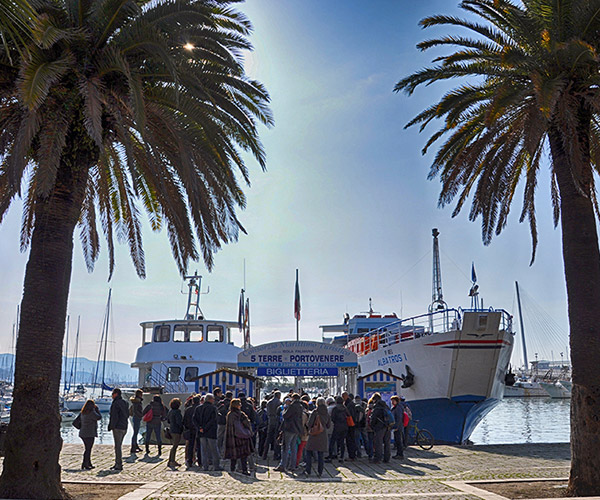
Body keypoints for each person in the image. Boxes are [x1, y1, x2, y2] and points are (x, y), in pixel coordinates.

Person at [274, 393, 303, 472]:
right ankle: (292, 465)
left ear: (293, 398)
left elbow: (285, 415)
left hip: (289, 428)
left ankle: (283, 465)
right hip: (296, 429)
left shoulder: (291, 406)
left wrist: (285, 409)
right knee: (294, 448)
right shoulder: (300, 407)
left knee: (285, 447)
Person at [224, 398, 253, 475]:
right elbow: (247, 423)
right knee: (243, 454)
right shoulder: (240, 414)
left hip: (232, 436)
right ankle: (244, 470)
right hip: (241, 436)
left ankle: (232, 468)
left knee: (233, 454)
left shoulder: (229, 414)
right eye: (239, 404)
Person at [303, 397, 331, 477]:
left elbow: (309, 424)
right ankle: (320, 471)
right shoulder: (327, 413)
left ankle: (308, 470)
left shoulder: (315, 412)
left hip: (314, 435)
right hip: (323, 434)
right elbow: (328, 425)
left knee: (308, 451)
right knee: (321, 454)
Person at [195, 393, 222, 471]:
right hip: (210, 431)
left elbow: (194, 419)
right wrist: (205, 428)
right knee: (214, 449)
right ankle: (216, 466)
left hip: (201, 432)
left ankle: (205, 466)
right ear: (210, 399)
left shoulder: (198, 408)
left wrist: (199, 428)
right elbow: (213, 420)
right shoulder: (213, 408)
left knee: (203, 450)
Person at [108, 388, 129, 471]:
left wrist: (111, 426)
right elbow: (127, 414)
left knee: (117, 446)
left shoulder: (115, 403)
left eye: (112, 394)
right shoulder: (125, 403)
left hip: (118, 427)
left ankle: (118, 464)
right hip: (124, 426)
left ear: (116, 394)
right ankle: (118, 463)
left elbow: (114, 416)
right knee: (119, 445)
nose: (112, 396)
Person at [78, 399, 101, 470]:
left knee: (87, 449)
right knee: (88, 449)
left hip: (83, 433)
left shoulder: (83, 412)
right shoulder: (91, 413)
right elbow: (99, 417)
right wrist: (97, 410)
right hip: (89, 433)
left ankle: (87, 463)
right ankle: (85, 464)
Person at [369, 393, 392, 464]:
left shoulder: (377, 407)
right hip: (387, 427)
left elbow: (373, 418)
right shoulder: (386, 406)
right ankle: (387, 458)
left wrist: (372, 426)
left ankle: (377, 459)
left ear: (374, 399)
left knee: (378, 443)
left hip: (379, 427)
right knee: (387, 443)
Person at [327, 396, 348, 462]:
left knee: (332, 441)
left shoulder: (335, 409)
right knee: (342, 442)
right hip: (344, 426)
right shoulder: (345, 408)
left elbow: (332, 418)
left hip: (337, 426)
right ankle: (341, 456)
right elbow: (348, 416)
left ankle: (330, 456)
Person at [262, 390, 281, 460]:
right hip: (276, 421)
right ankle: (275, 456)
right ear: (279, 396)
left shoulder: (269, 402)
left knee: (268, 439)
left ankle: (264, 454)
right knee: (276, 438)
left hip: (270, 420)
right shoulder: (279, 403)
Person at [183, 394, 201, 468]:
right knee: (199, 446)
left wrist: (187, 427)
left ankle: (189, 460)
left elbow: (184, 420)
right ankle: (200, 461)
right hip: (199, 429)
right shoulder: (200, 409)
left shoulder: (188, 409)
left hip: (190, 429)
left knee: (190, 445)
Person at [167, 398, 183, 468]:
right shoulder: (177, 412)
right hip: (176, 430)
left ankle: (170, 460)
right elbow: (179, 422)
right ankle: (172, 461)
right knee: (175, 446)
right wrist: (182, 427)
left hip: (171, 429)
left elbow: (168, 421)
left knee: (174, 446)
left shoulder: (170, 411)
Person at [216, 391, 232, 456]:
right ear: (231, 396)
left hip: (220, 421)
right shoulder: (230, 403)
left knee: (219, 437)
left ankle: (218, 451)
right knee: (226, 437)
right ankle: (225, 452)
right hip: (227, 422)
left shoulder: (220, 402)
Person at [344, 393, 358, 460]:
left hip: (350, 424)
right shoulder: (351, 403)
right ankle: (353, 455)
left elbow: (350, 414)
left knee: (350, 440)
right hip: (352, 424)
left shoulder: (349, 404)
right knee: (352, 439)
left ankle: (352, 455)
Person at [129, 389, 144, 454]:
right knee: (135, 433)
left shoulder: (136, 401)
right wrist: (141, 415)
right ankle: (133, 447)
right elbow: (136, 411)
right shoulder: (137, 402)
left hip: (136, 418)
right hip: (137, 418)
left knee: (136, 432)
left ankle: (135, 445)